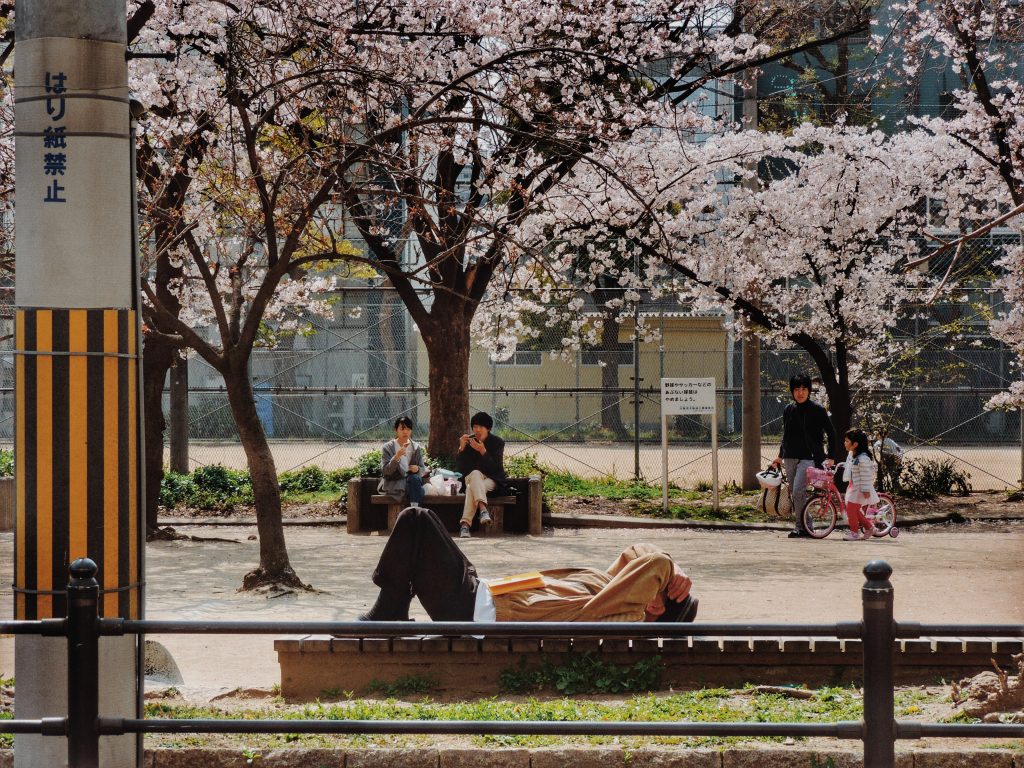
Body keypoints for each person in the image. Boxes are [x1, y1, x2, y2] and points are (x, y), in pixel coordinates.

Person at [359, 506, 699, 623]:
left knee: (416, 519)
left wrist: (669, 568)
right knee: (423, 520)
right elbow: (634, 552)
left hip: (473, 610)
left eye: (662, 589)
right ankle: (391, 609)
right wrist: (677, 567)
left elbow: (653, 562)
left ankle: (389, 610)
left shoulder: (617, 611)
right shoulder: (608, 588)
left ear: (654, 601)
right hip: (482, 593)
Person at [770, 373, 838, 538]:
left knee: (799, 491)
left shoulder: (818, 410)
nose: (800, 392)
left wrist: (831, 455)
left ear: (809, 390)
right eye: (796, 389)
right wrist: (780, 456)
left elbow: (832, 433)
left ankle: (800, 527)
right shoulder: (788, 409)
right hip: (790, 457)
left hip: (809, 458)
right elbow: (786, 435)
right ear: (792, 391)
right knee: (795, 492)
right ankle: (807, 526)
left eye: (804, 388)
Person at [454, 411, 506, 539]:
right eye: (475, 426)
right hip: (472, 478)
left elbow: (496, 469)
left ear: (488, 428)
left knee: (473, 488)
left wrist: (482, 451)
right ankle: (483, 510)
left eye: (481, 427)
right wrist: (461, 449)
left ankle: (465, 525)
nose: (477, 430)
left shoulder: (497, 443)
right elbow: (460, 469)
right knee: (475, 474)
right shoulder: (468, 441)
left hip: (491, 479)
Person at [379, 417, 427, 507]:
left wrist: (417, 469)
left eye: (408, 429)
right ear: (396, 430)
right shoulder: (388, 447)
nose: (405, 432)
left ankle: (414, 508)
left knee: (414, 479)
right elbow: (386, 471)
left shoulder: (415, 447)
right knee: (419, 489)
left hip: (411, 483)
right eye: (402, 429)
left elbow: (423, 470)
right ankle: (415, 510)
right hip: (395, 484)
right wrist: (397, 456)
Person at [841, 428, 879, 541]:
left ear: (855, 444)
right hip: (854, 487)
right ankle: (869, 527)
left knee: (850, 509)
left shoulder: (863, 458)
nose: (845, 443)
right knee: (855, 510)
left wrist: (866, 490)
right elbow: (849, 466)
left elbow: (866, 476)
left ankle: (854, 533)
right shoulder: (853, 454)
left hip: (861, 489)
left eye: (847, 441)